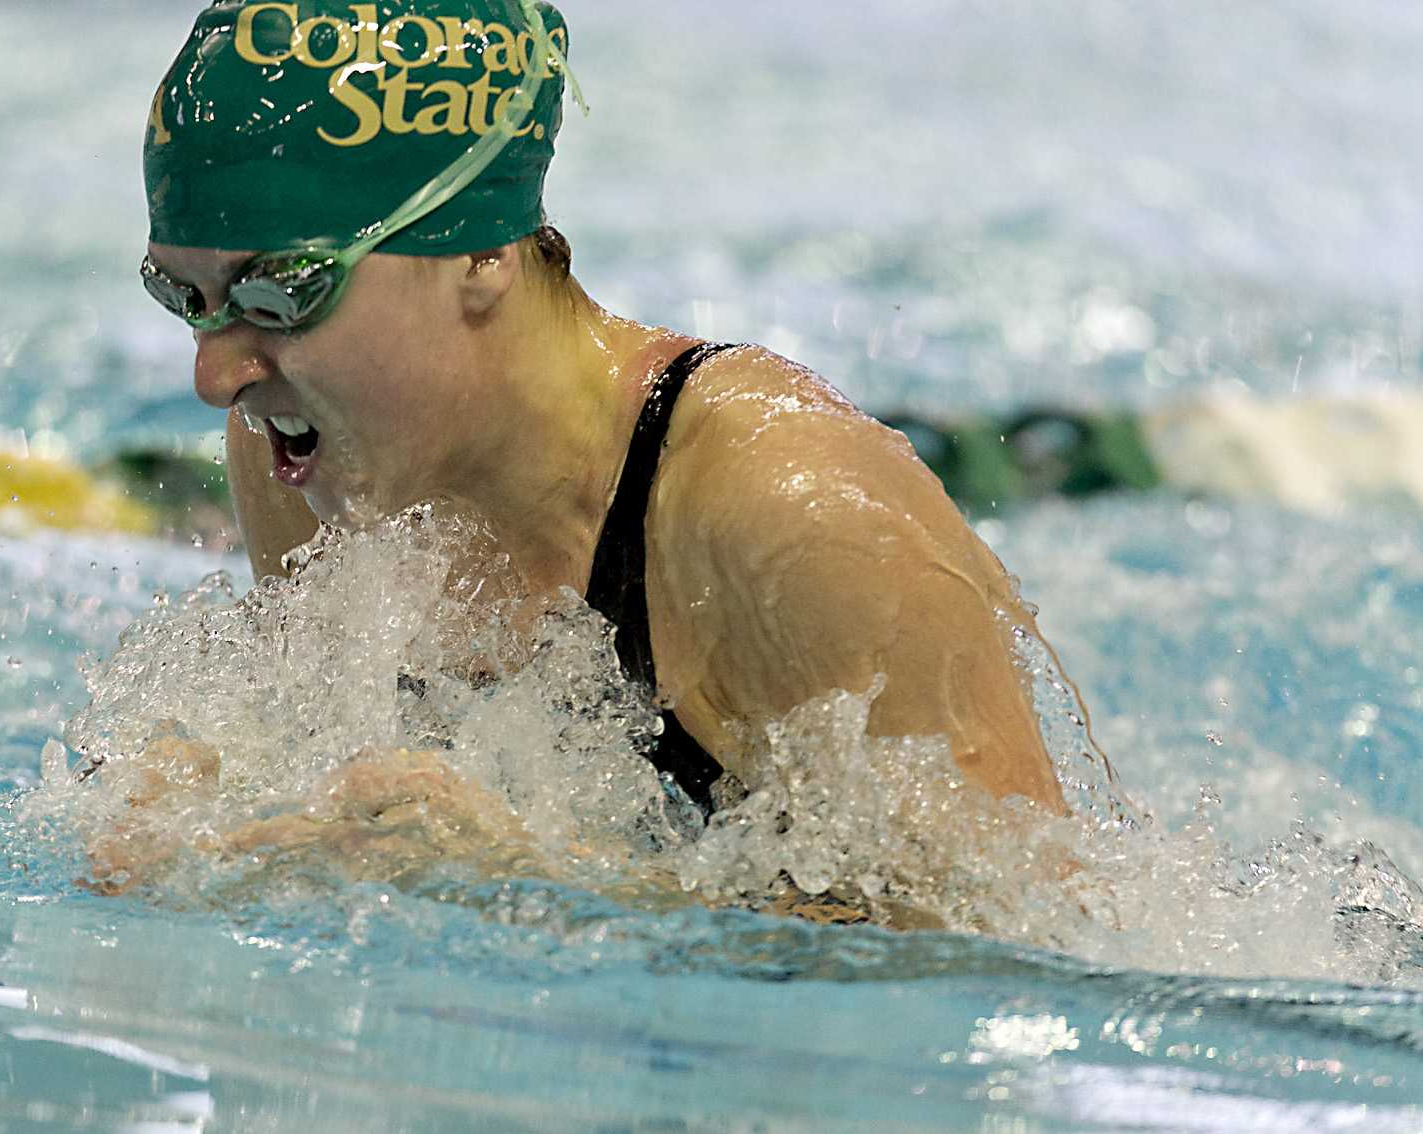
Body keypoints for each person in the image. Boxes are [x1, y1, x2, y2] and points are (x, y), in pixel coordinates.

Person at [122, 0, 1071, 903]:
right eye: (187, 300)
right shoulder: (304, 447)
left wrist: (569, 890)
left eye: (284, 291)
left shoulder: (791, 517)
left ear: (481, 254)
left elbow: (1023, 947)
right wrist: (220, 813)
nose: (217, 375)